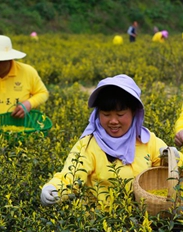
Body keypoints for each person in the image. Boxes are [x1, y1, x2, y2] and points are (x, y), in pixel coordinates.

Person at [40, 74, 170, 205]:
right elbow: (71, 175)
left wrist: (172, 158)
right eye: (106, 114)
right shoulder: (88, 145)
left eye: (120, 114)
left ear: (134, 112)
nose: (113, 121)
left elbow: (169, 170)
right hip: (102, 219)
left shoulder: (147, 141)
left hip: (144, 216)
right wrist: (54, 189)